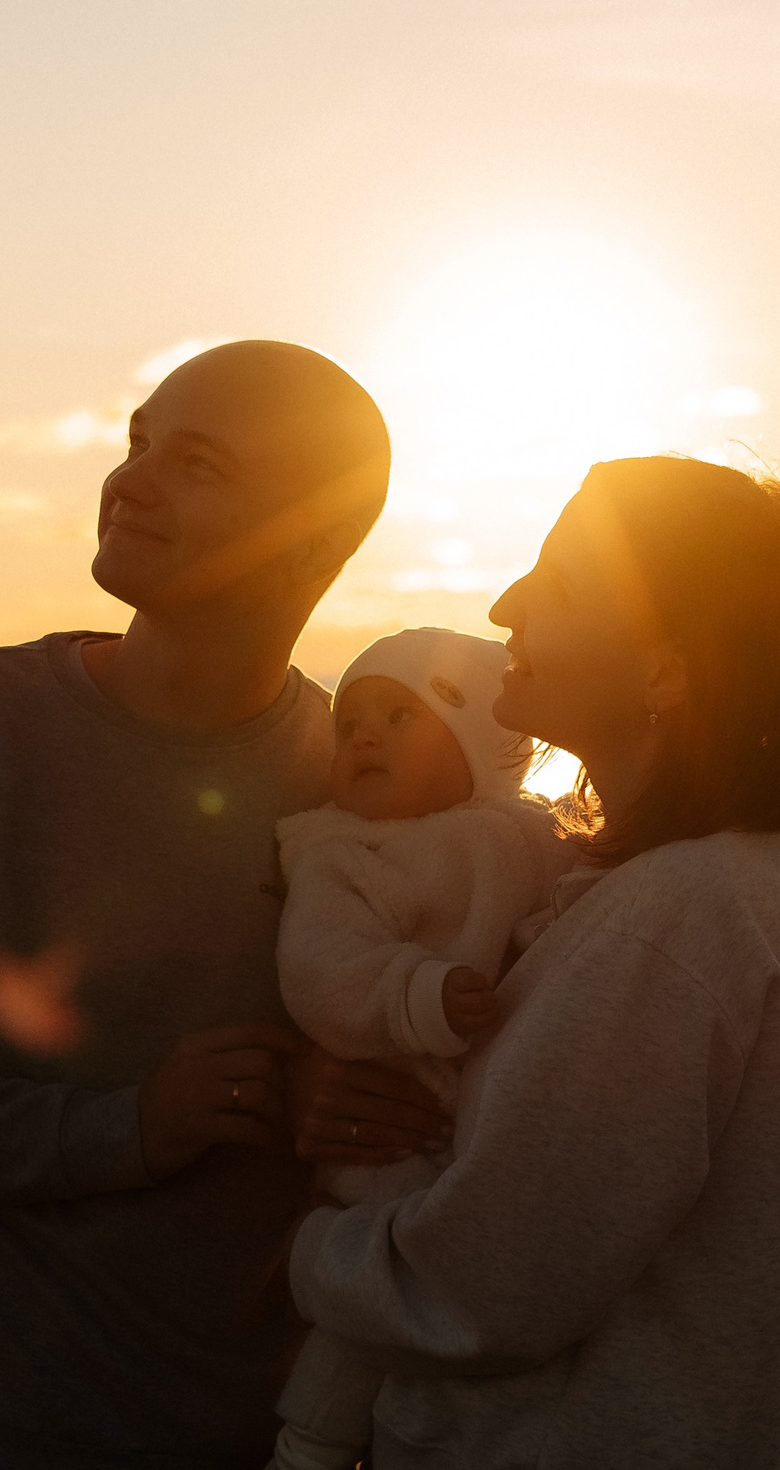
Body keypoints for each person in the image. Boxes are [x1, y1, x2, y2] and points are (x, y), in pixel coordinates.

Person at [0, 340, 444, 1470]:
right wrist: (127, 1128)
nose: (130, 481)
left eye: (198, 464)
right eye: (138, 442)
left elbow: (463, 1071)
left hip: (253, 1435)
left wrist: (329, 1094)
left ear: (312, 542)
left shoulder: (359, 788)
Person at [285, 454, 780, 1469]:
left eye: (556, 585)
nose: (506, 605)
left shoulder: (673, 917)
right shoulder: (690, 877)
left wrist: (289, 1242)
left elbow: (482, 1288)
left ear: (663, 670)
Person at [265, 627, 577, 1470]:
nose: (364, 735)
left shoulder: (536, 836)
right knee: (368, 1310)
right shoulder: (344, 851)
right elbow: (319, 969)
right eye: (350, 724)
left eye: (398, 715)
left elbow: (593, 937)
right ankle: (309, 1445)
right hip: (390, 1134)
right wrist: (415, 993)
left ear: (477, 742)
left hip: (486, 1133)